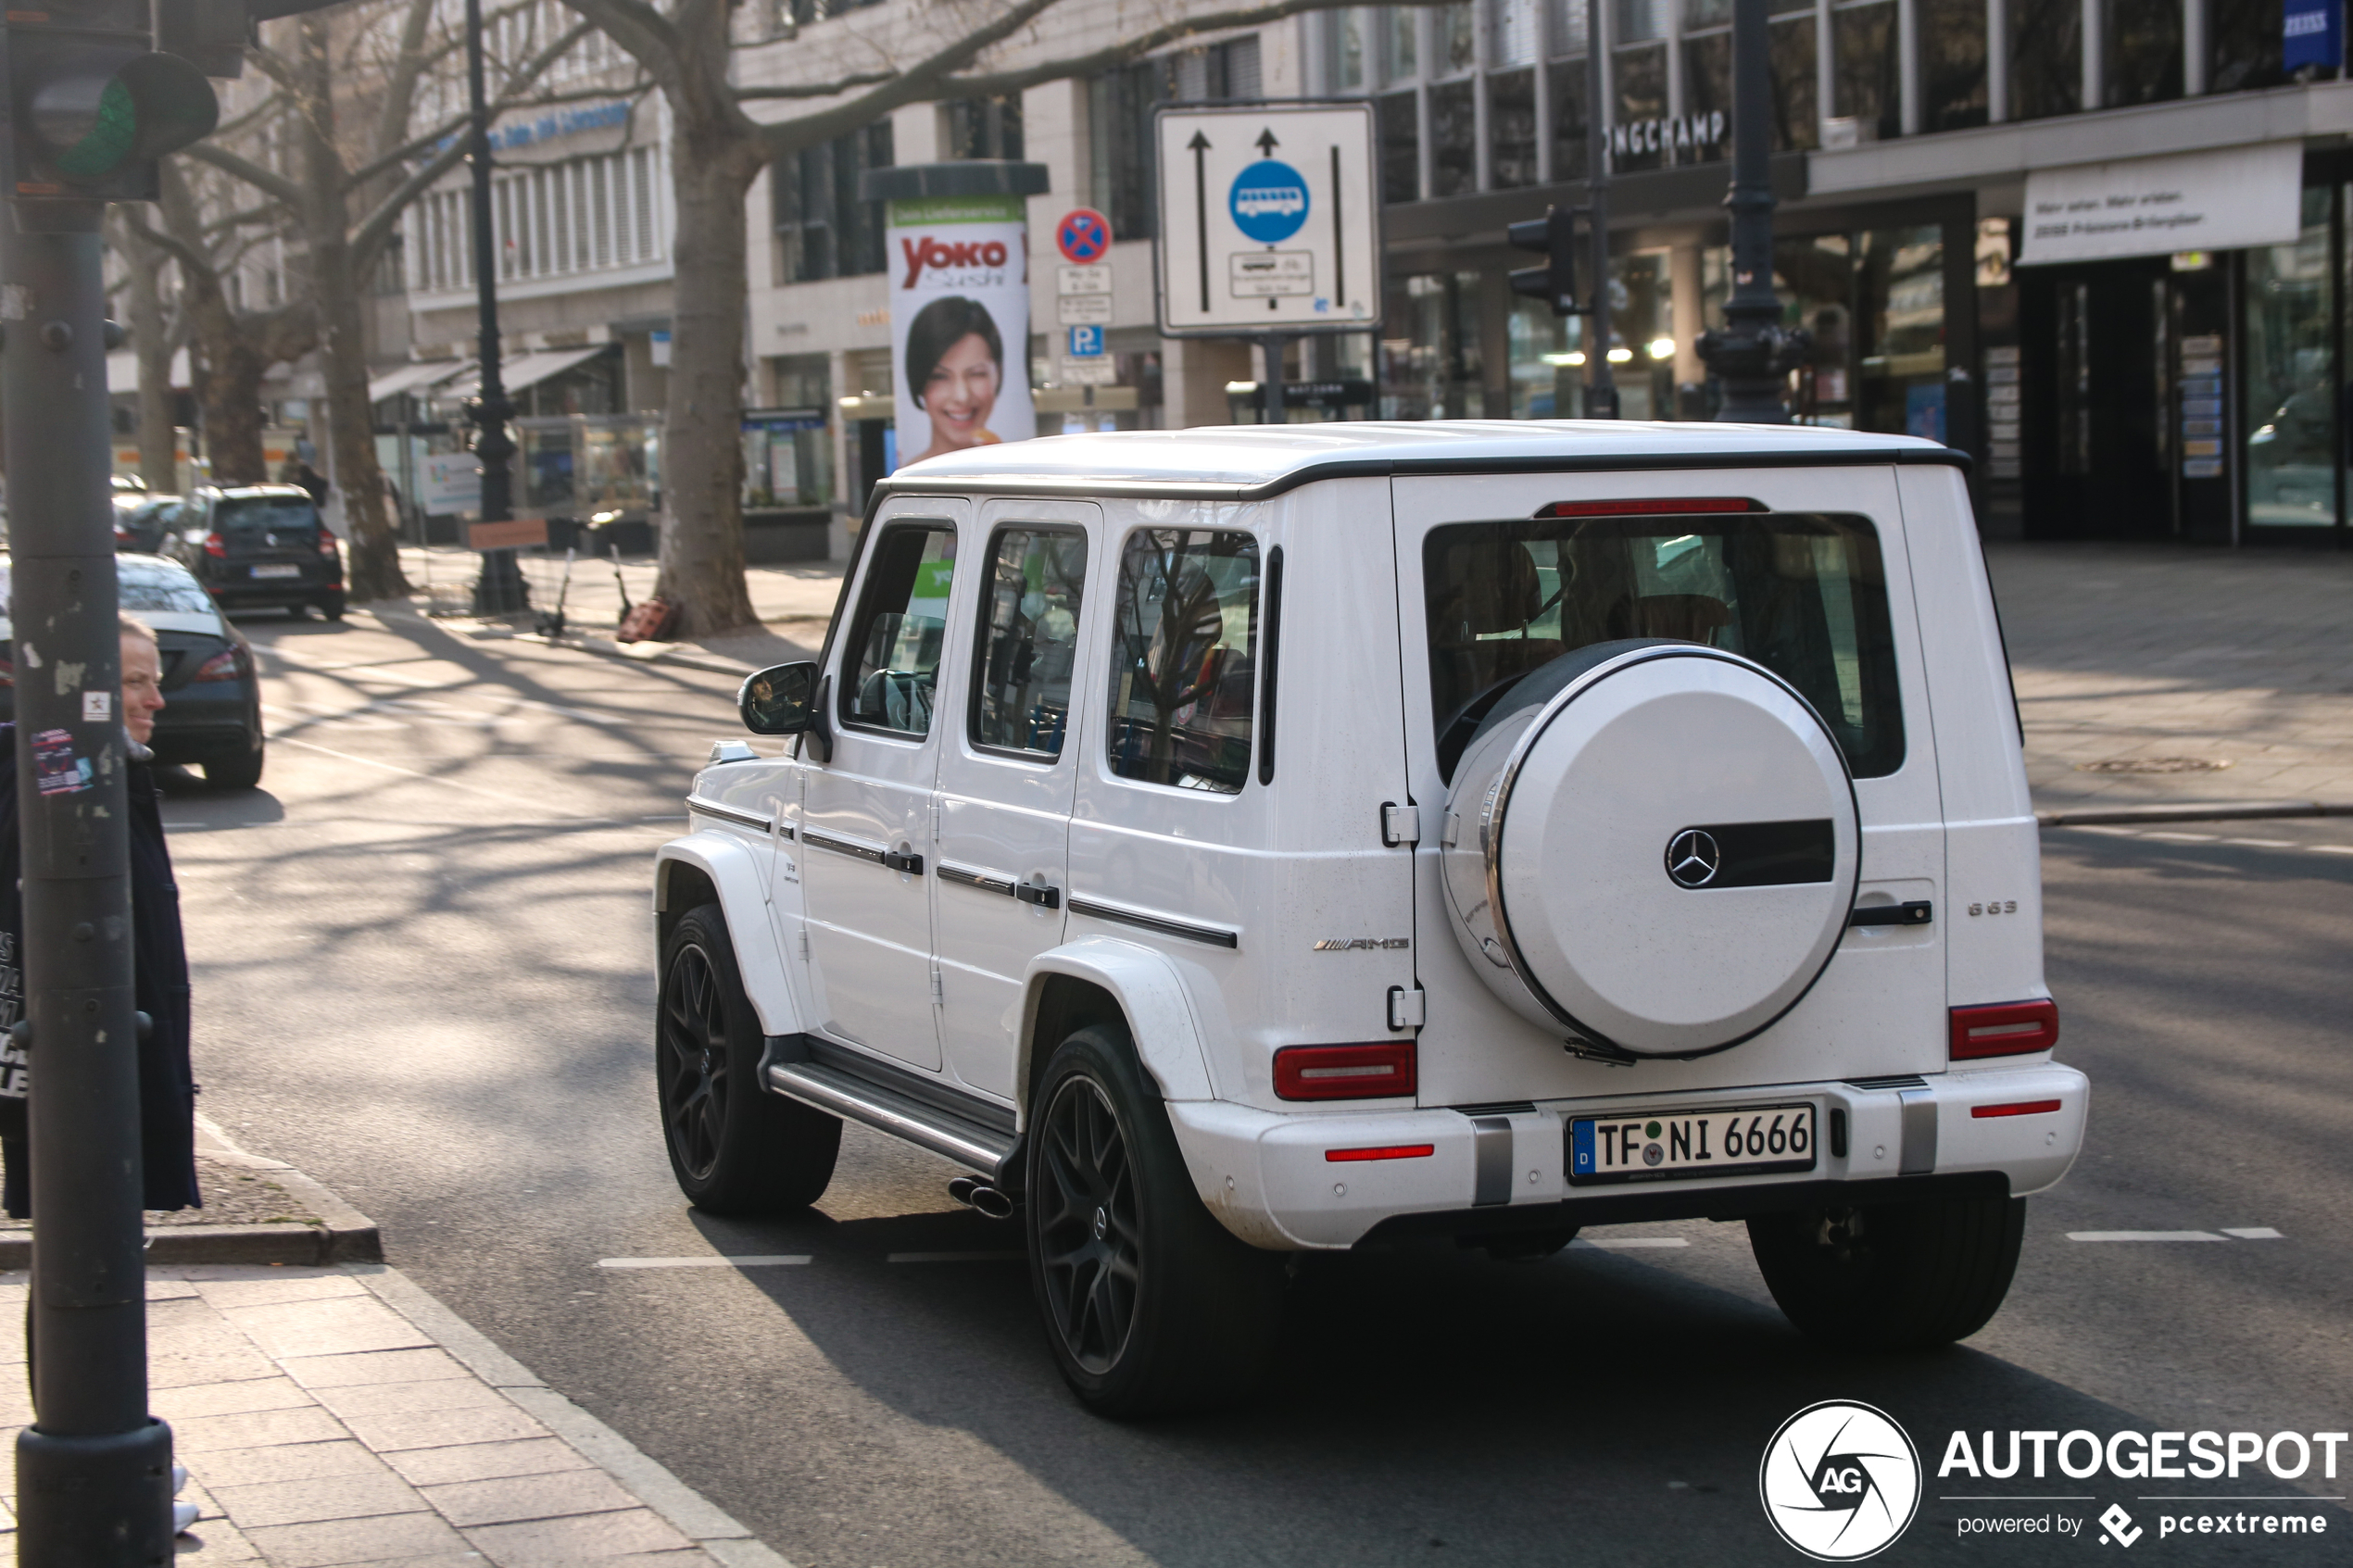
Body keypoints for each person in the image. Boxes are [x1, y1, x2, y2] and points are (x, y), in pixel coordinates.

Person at [0, 613, 202, 1223]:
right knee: (81, 1232)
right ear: (78, 690)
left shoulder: (109, 769)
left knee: (88, 1234)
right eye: (136, 681)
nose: (156, 699)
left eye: (156, 679)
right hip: (85, 1065)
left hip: (112, 1051)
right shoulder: (63, 778)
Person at [904, 295, 1005, 464]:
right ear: (918, 381)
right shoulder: (907, 482)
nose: (962, 396)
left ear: (998, 375)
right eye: (940, 377)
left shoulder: (1015, 471)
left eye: (977, 374)